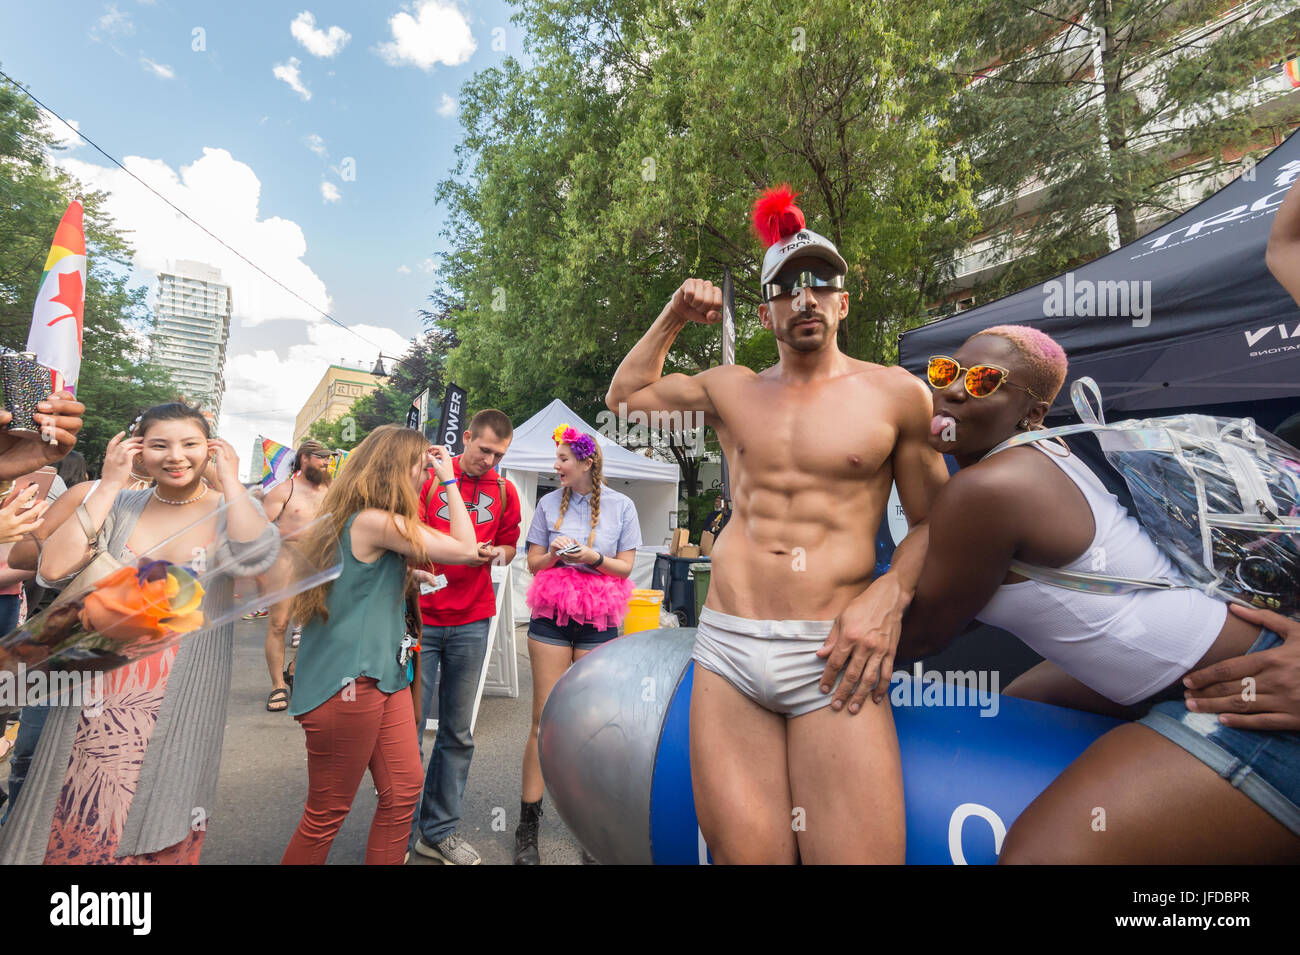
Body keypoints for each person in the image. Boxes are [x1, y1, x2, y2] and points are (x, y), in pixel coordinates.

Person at [606, 187, 948, 864]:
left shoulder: (898, 394)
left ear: (843, 301)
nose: (806, 296)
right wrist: (674, 314)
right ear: (766, 311)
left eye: (822, 281)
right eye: (787, 286)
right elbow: (625, 400)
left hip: (831, 654)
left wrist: (891, 592)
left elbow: (940, 522)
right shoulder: (731, 388)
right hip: (729, 648)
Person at [897, 326, 1299, 862]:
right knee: (1022, 702)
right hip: (1224, 657)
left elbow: (924, 634)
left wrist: (785, 648)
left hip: (1250, 703)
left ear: (1032, 414)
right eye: (947, 371)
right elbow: (966, 602)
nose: (953, 390)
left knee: (1037, 856)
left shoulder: (986, 490)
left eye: (984, 380)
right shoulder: (1045, 454)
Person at [0, 402, 279, 864]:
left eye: (190, 444)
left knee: (160, 806)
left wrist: (230, 481)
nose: (176, 456)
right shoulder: (117, 503)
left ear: (210, 448)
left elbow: (256, 559)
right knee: (77, 803)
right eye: (159, 445)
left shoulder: (232, 508)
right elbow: (51, 569)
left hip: (183, 689)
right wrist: (110, 483)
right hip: (96, 683)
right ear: (137, 449)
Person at [281, 427, 480, 866]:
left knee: (403, 792)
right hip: (347, 683)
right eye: (421, 467)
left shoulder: (357, 519)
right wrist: (450, 480)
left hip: (382, 678)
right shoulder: (374, 520)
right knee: (326, 814)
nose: (424, 477)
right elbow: (466, 549)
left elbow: (354, 583)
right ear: (395, 468)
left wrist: (406, 578)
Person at [516, 424, 641, 864]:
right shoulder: (548, 502)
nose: (556, 466)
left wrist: (593, 558)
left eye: (563, 460)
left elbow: (625, 568)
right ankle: (527, 829)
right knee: (542, 718)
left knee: (592, 724)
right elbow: (532, 563)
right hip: (550, 615)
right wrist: (554, 555)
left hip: (599, 618)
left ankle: (591, 829)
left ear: (586, 462)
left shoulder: (622, 506)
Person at [409, 409, 521, 866]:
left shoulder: (504, 489)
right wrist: (445, 554)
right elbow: (407, 533)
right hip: (421, 618)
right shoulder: (430, 476)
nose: (489, 461)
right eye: (484, 450)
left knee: (458, 732)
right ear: (468, 438)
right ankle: (397, 830)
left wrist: (498, 552)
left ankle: (438, 832)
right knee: (408, 731)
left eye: (498, 455)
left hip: (473, 619)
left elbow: (512, 541)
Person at [259, 439, 333, 712]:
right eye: (321, 458)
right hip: (287, 562)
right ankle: (278, 685)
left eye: (328, 458)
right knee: (279, 624)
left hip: (322, 565)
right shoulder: (284, 490)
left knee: (319, 625)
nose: (327, 463)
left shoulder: (334, 490)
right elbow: (259, 530)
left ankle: (296, 666)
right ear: (304, 459)